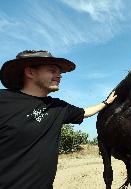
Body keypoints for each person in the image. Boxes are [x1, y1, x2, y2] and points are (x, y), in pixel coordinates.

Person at [0, 50, 117, 189]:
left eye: (59, 72)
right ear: (30, 72)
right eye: (52, 70)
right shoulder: (3, 100)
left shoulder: (57, 107)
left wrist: (106, 103)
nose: (59, 75)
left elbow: (84, 112)